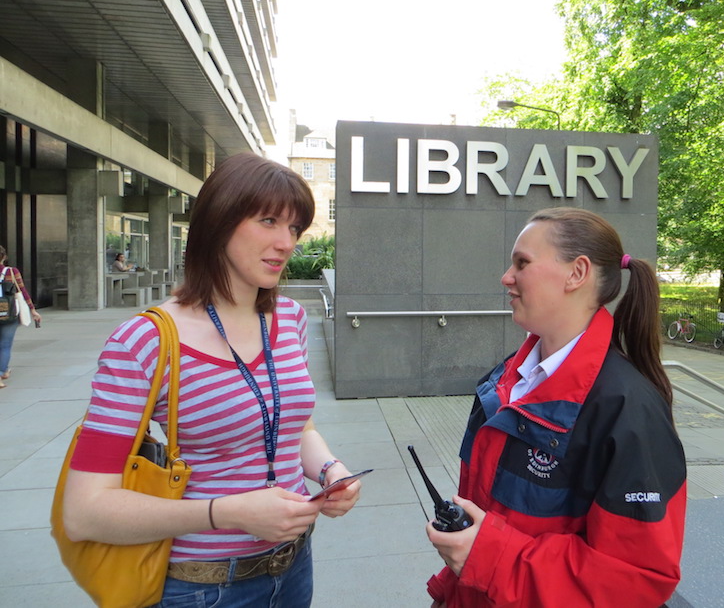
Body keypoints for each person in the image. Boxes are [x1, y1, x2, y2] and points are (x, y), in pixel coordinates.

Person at [62, 153, 361, 607]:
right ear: (219, 222)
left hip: (294, 567)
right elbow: (84, 512)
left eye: (294, 228)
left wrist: (330, 470)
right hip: (203, 587)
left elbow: (294, 425)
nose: (286, 242)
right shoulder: (144, 341)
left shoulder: (289, 318)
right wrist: (230, 513)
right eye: (268, 221)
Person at [424, 207, 687, 608]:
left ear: (576, 273)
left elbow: (635, 580)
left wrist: (488, 558)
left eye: (522, 263)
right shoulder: (506, 380)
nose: (506, 278)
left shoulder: (629, 410)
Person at [0, 246, 42, 388]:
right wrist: (33, 310)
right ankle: (2, 372)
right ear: (4, 257)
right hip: (9, 313)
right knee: (5, 345)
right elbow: (22, 292)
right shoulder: (12, 272)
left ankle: (3, 371)